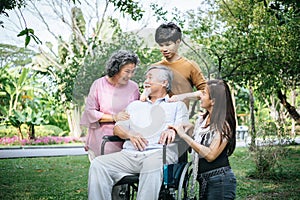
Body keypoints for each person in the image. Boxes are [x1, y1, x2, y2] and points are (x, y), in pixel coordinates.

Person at [88, 65, 189, 200]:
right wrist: (130, 134)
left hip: (159, 153)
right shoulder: (134, 105)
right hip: (130, 154)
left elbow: (185, 126)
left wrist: (173, 129)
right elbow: (117, 128)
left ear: (164, 82)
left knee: (151, 166)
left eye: (150, 78)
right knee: (98, 164)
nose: (145, 81)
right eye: (145, 77)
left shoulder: (176, 106)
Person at [169, 79, 237, 199]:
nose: (201, 96)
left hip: (220, 182)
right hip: (205, 181)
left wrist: (184, 136)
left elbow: (210, 155)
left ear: (213, 101)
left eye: (204, 93)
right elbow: (197, 144)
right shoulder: (203, 120)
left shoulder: (223, 125)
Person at [80, 50, 140, 161]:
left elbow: (138, 111)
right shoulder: (99, 84)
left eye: (133, 71)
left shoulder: (134, 87)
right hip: (102, 141)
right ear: (116, 69)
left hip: (125, 142)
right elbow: (89, 112)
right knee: (102, 174)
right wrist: (114, 117)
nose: (130, 75)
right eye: (127, 71)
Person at [141, 22, 206, 107]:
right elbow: (148, 89)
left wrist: (183, 97)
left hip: (180, 116)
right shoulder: (155, 67)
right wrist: (144, 94)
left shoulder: (190, 66)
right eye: (161, 45)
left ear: (178, 42)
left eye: (168, 45)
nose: (164, 49)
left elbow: (204, 92)